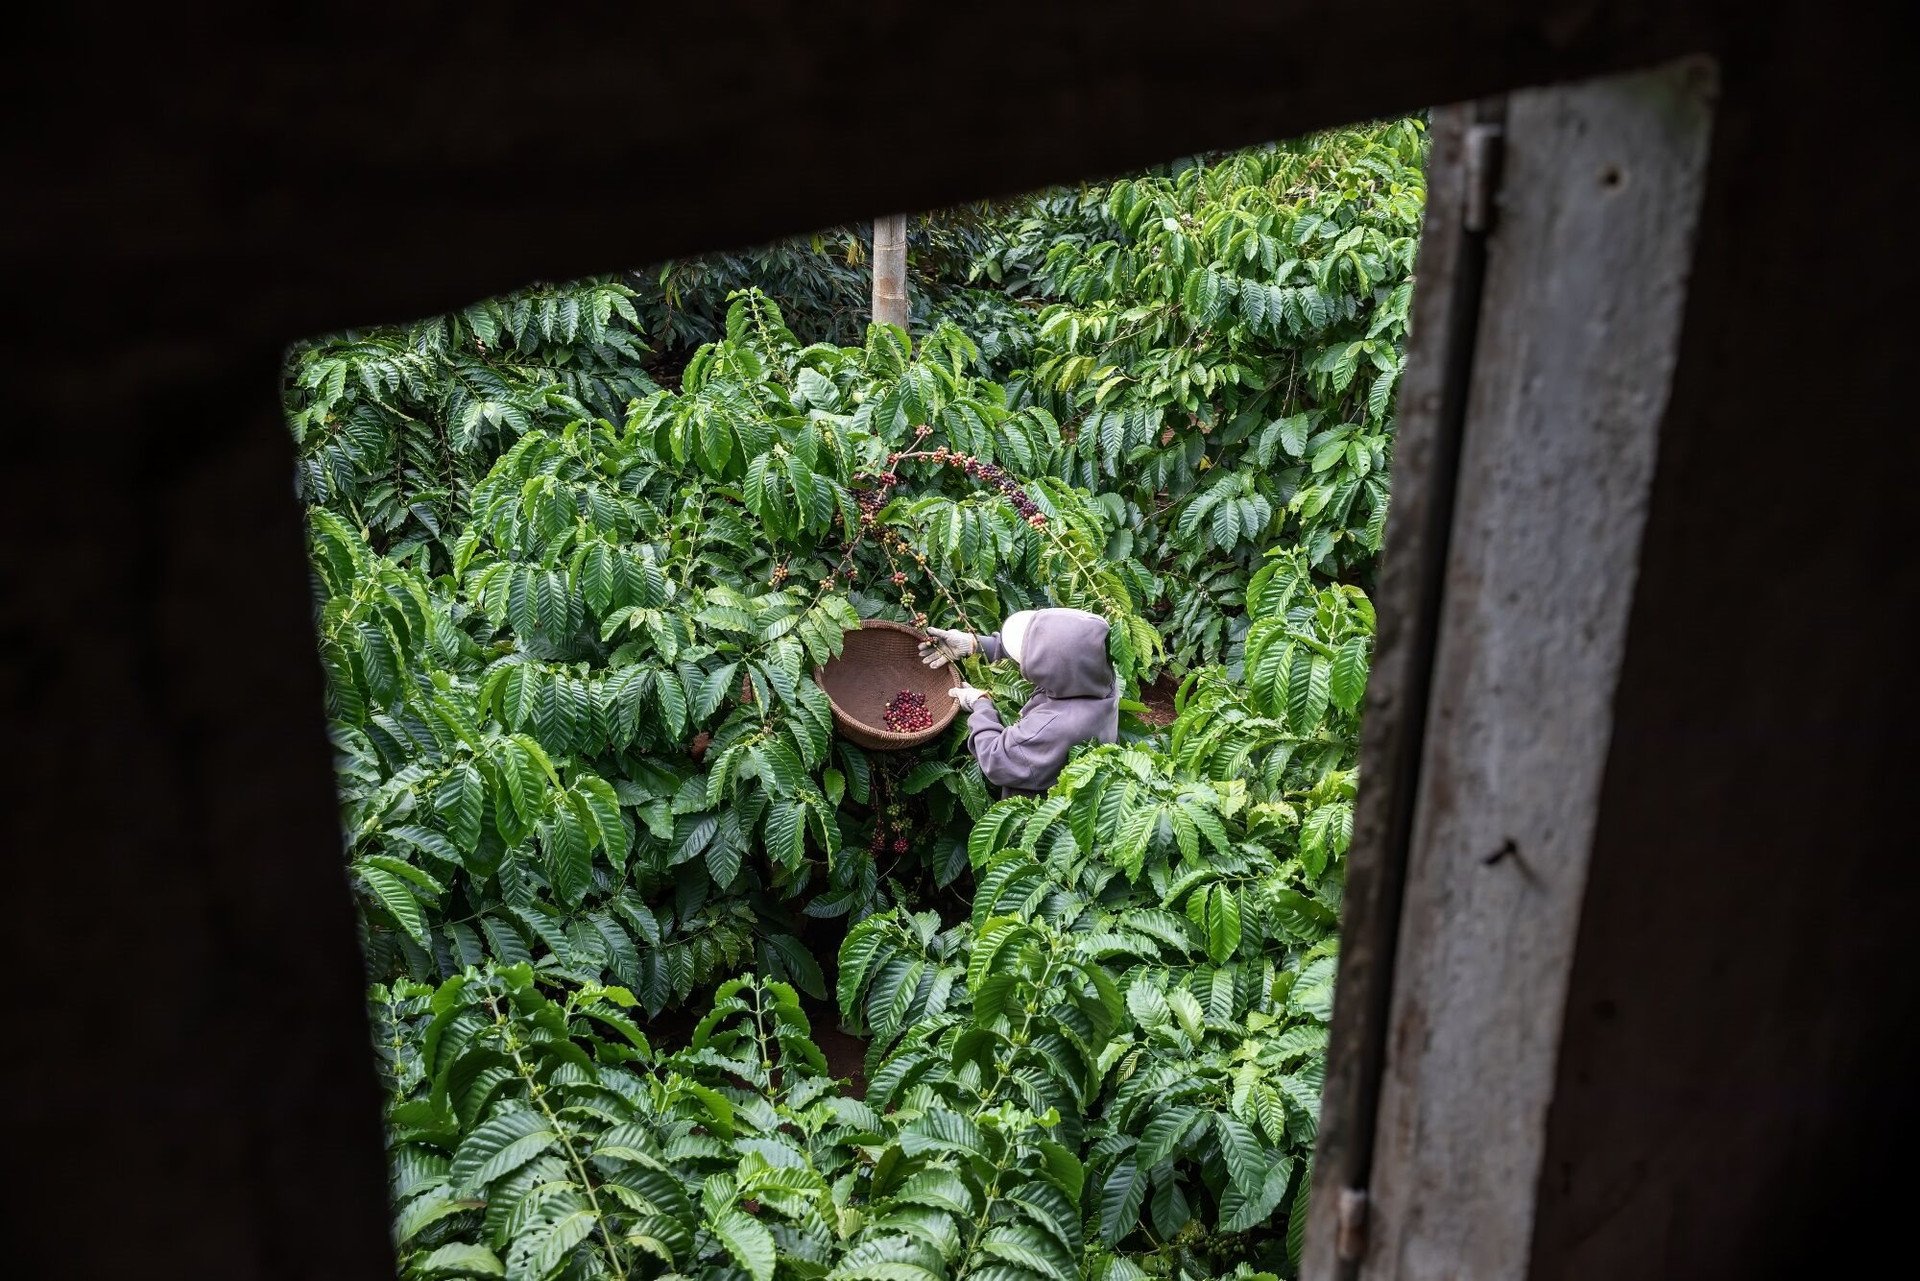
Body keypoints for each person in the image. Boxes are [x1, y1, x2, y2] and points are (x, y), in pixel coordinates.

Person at [918, 607, 1119, 797]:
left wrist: (981, 705)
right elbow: (1056, 654)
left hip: (1034, 812)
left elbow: (995, 759)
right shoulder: (1097, 674)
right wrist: (975, 644)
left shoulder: (1056, 726)